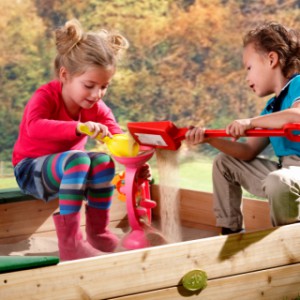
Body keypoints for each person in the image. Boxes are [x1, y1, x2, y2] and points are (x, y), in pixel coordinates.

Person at [12, 19, 141, 260]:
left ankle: (97, 232)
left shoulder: (97, 107)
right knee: (79, 159)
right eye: (89, 85)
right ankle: (70, 242)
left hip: (68, 172)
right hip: (30, 169)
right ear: (65, 75)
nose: (97, 94)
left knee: (103, 160)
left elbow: (116, 135)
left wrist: (136, 154)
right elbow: (34, 127)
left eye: (104, 86)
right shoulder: (46, 96)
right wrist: (79, 127)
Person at [185, 21, 300, 235]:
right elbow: (247, 152)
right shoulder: (271, 107)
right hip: (286, 171)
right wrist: (210, 139)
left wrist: (250, 122)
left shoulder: (298, 84)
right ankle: (231, 233)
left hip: (292, 175)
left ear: (271, 59)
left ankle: (289, 243)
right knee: (224, 163)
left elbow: (297, 117)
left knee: (279, 181)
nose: (247, 77)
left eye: (249, 67)